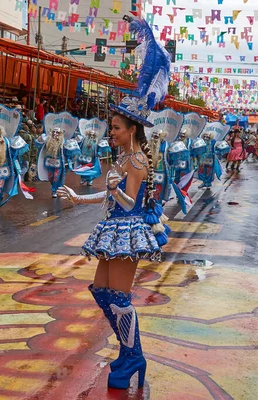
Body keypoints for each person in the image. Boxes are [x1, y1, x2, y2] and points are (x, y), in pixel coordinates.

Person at [58, 16, 170, 390]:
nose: (112, 134)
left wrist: (116, 186)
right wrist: (78, 197)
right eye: (111, 129)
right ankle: (128, 349)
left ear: (132, 130)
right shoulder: (122, 160)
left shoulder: (136, 161)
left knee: (120, 297)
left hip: (128, 232)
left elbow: (128, 201)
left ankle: (133, 354)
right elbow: (109, 195)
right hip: (112, 230)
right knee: (101, 291)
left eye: (117, 129)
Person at [35, 114, 81, 197]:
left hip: (58, 164)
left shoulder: (63, 142)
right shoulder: (48, 140)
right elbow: (39, 141)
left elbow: (69, 150)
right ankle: (56, 188)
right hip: (49, 163)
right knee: (51, 178)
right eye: (54, 132)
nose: (55, 134)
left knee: (56, 177)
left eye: (57, 132)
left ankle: (54, 190)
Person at [73, 118, 108, 186]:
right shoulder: (84, 139)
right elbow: (79, 142)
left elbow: (100, 147)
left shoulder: (96, 141)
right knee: (83, 168)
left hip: (92, 158)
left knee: (91, 169)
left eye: (92, 135)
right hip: (84, 157)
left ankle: (89, 180)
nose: (91, 136)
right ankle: (83, 178)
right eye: (90, 135)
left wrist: (99, 153)